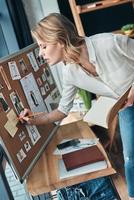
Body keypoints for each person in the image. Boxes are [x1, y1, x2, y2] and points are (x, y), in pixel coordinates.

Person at [19, 13, 134, 199]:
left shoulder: (108, 43)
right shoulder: (69, 73)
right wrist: (32, 119)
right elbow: (62, 111)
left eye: (43, 46)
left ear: (60, 40)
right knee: (130, 158)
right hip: (129, 107)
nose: (41, 53)